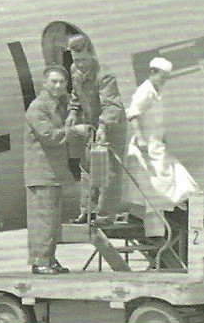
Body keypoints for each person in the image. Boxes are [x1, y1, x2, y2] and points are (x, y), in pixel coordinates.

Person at [24, 66, 91, 274]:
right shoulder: (38, 108)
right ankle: (41, 262)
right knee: (43, 220)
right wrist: (75, 131)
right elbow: (49, 136)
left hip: (52, 173)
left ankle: (49, 259)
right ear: (44, 83)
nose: (58, 85)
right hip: (42, 172)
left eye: (62, 82)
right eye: (54, 82)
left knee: (51, 220)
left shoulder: (57, 106)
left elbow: (68, 114)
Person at [123, 57, 198, 238]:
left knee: (181, 183)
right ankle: (155, 233)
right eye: (162, 76)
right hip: (147, 148)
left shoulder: (157, 91)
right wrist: (140, 139)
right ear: (153, 73)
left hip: (158, 146)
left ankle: (170, 224)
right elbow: (133, 114)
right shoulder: (145, 91)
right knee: (156, 190)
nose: (165, 80)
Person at [66, 34, 127, 225]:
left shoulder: (104, 75)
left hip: (111, 125)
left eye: (84, 60)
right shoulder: (74, 69)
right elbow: (76, 94)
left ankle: (104, 215)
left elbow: (112, 105)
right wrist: (73, 112)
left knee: (109, 172)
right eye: (76, 60)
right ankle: (87, 211)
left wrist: (103, 126)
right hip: (92, 123)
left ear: (92, 54)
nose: (80, 64)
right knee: (87, 168)